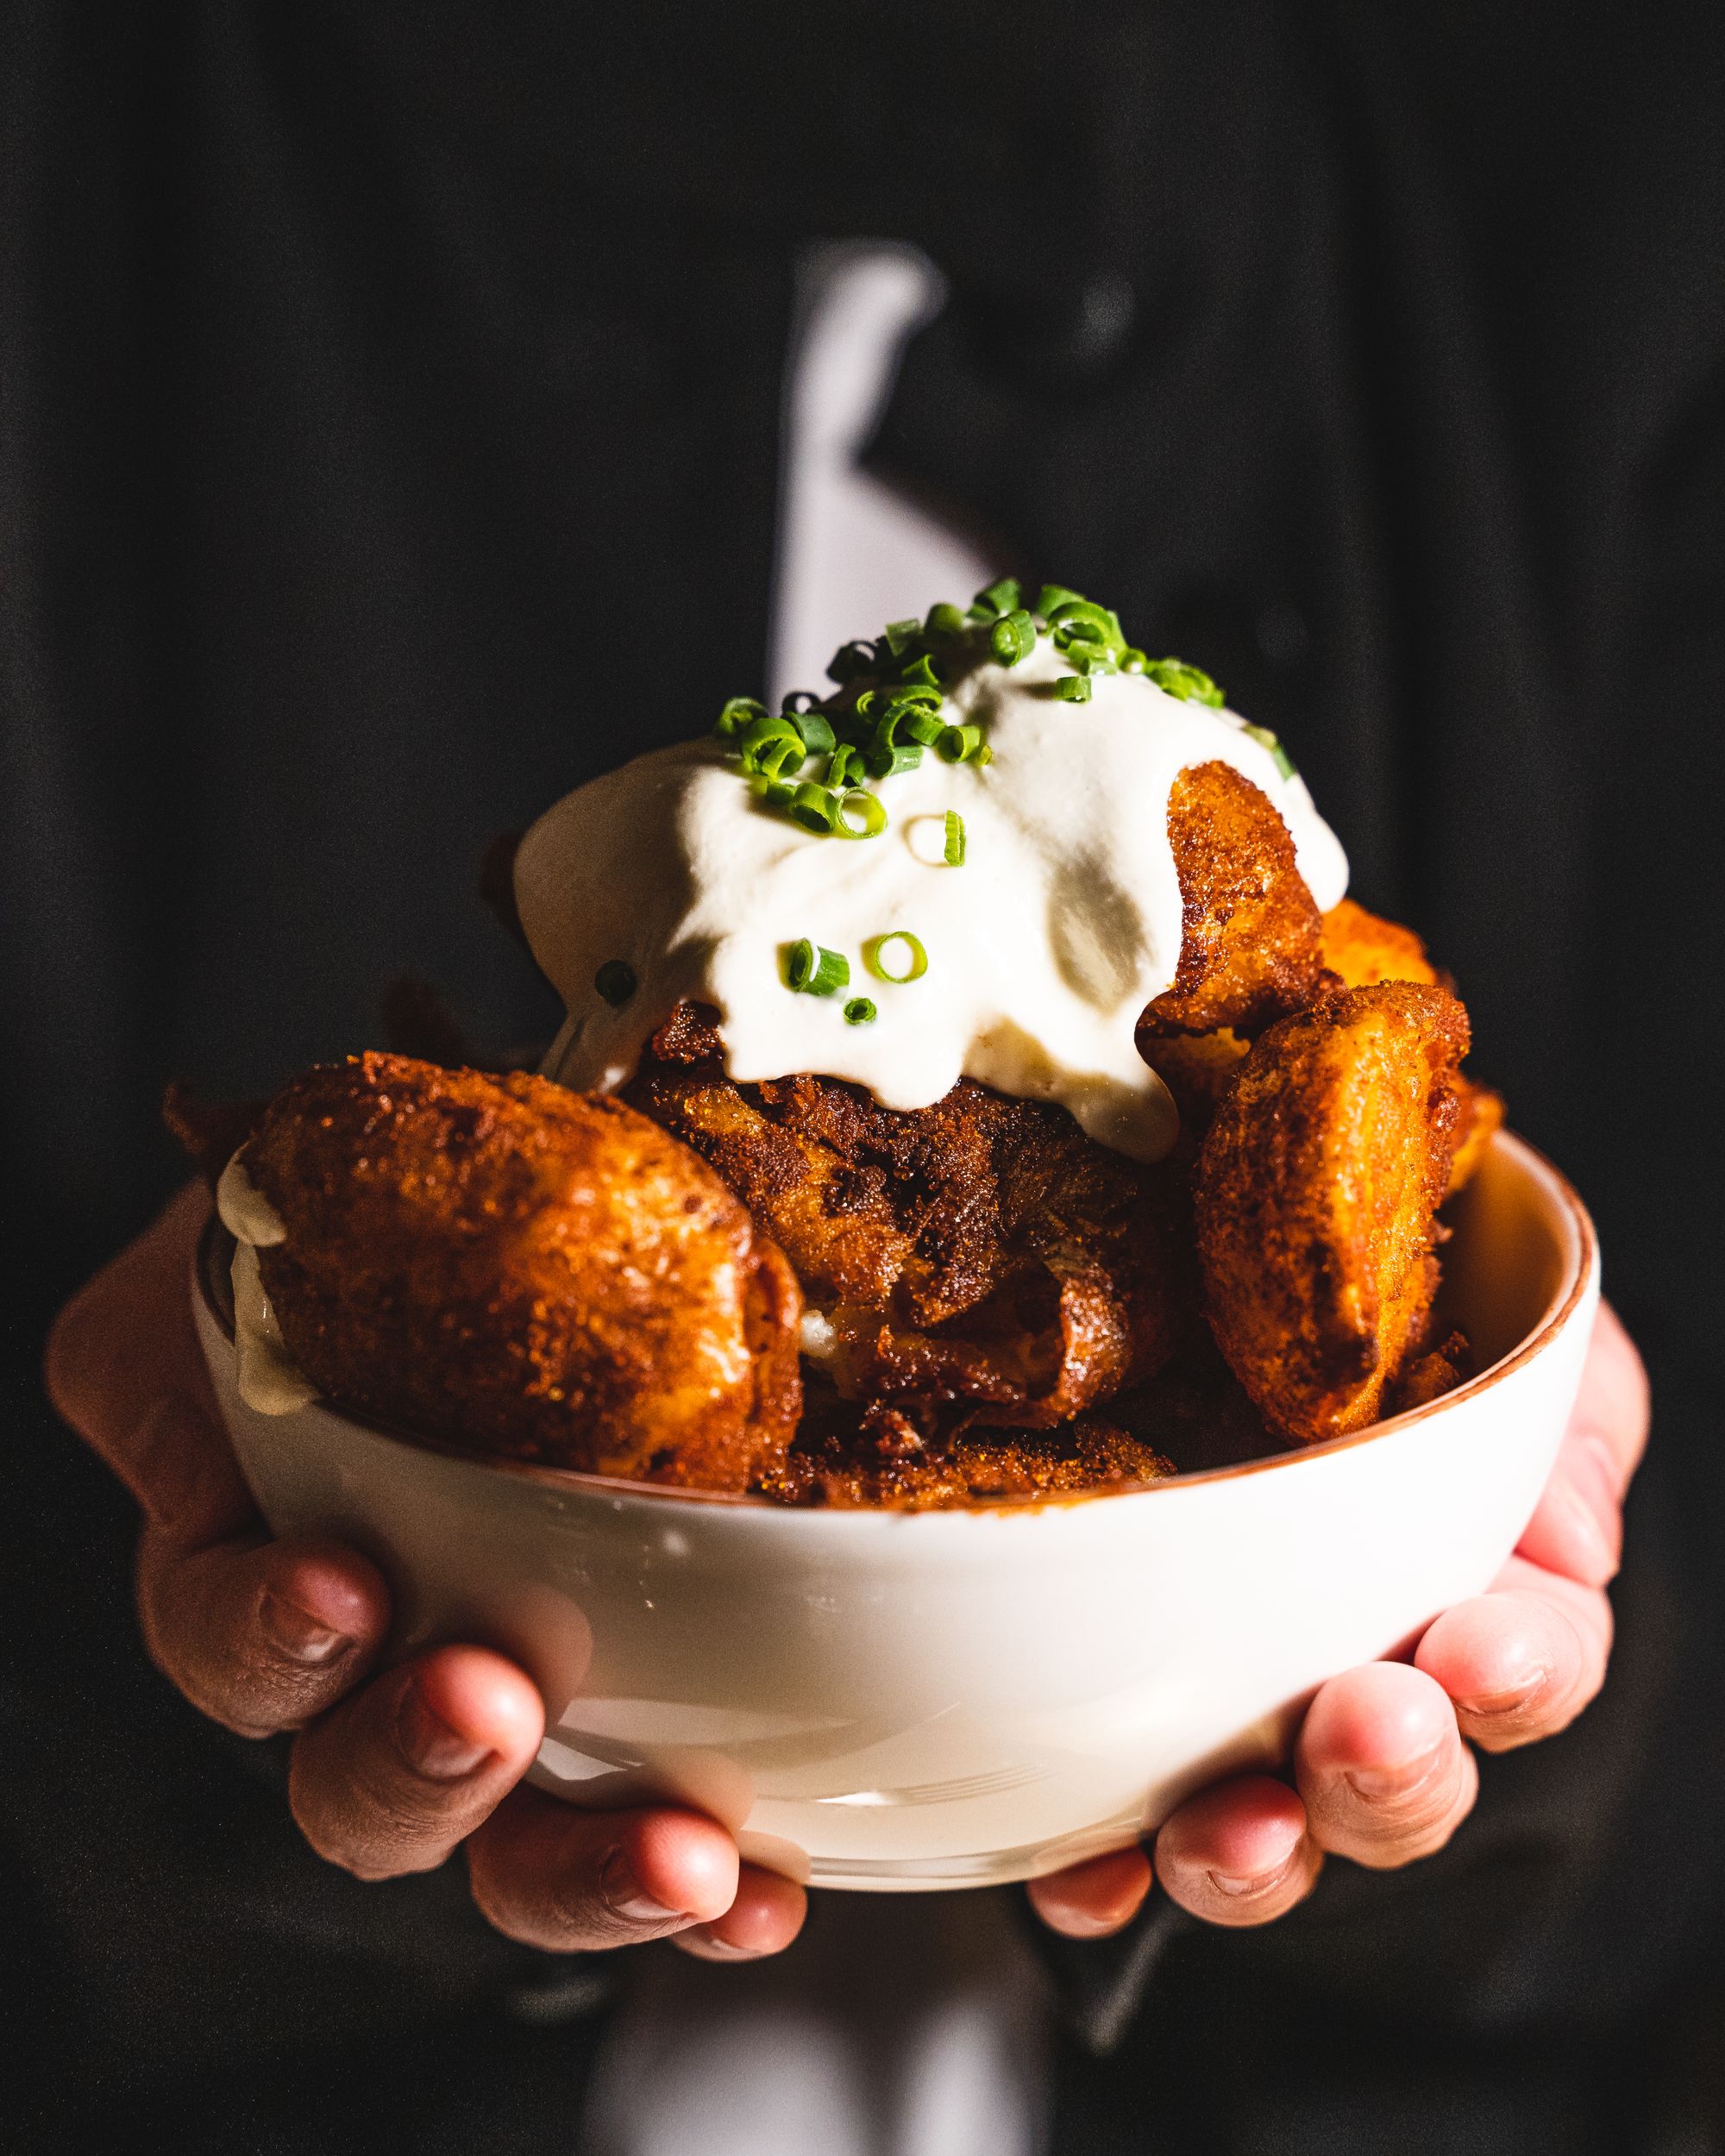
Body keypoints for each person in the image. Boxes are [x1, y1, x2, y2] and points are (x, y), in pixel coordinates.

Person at [6, 4, 1721, 2150]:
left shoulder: (1619, 179)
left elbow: (1663, 1819)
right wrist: (169, 1613)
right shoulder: (83, 154)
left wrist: (1526, 1621)